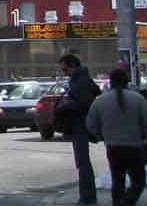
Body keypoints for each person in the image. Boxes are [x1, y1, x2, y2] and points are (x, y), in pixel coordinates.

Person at [86, 68, 147, 206]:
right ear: (126, 83)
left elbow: (90, 124)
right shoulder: (138, 99)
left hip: (113, 147)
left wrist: (100, 136)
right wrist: (144, 135)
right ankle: (126, 202)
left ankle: (118, 203)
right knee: (138, 181)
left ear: (111, 83)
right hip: (134, 146)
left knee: (117, 181)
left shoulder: (100, 101)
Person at [56, 53, 102, 205]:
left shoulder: (80, 80)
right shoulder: (80, 79)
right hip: (81, 124)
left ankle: (87, 198)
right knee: (82, 163)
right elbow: (94, 94)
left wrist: (64, 107)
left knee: (82, 163)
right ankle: (88, 197)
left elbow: (83, 103)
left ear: (73, 66)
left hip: (80, 125)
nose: (64, 73)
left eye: (65, 69)